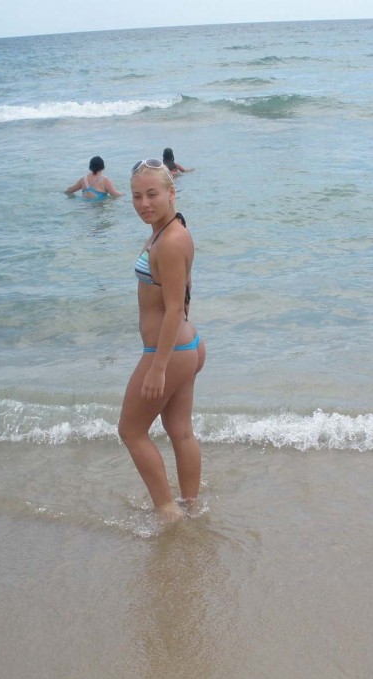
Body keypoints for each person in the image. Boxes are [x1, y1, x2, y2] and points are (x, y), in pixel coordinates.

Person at [118, 158, 206, 522]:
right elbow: (183, 293)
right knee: (179, 430)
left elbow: (172, 309)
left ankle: (168, 513)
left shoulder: (169, 240)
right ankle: (190, 504)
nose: (143, 204)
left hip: (169, 351)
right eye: (137, 196)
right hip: (186, 345)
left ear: (172, 193)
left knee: (131, 431)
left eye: (152, 194)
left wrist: (157, 367)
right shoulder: (169, 228)